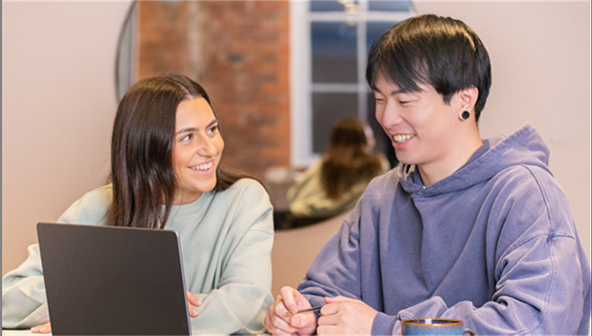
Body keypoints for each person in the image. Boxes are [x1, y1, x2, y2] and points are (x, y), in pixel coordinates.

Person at [265, 14, 591, 335]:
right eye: (379, 99)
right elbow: (325, 292)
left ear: (465, 98)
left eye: (405, 100)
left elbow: (536, 325)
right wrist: (303, 316)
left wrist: (386, 329)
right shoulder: (382, 195)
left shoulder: (525, 195)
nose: (387, 117)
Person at [2, 74, 274, 334]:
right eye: (188, 137)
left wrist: (116, 315)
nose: (211, 148)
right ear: (147, 147)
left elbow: (248, 306)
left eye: (212, 129)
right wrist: (101, 307)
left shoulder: (246, 200)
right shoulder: (98, 207)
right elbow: (9, 298)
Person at [285, 118, 389, 226]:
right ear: (362, 141)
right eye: (369, 138)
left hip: (306, 226)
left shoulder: (322, 165)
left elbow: (294, 196)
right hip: (348, 227)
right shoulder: (375, 166)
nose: (373, 142)